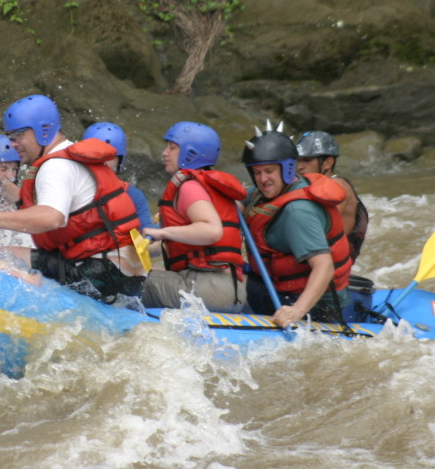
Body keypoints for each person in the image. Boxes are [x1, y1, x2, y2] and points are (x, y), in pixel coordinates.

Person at [0, 94, 145, 303]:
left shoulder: (56, 167)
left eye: (18, 135)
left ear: (43, 130)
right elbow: (31, 204)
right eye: (10, 137)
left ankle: (35, 288)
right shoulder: (66, 156)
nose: (13, 144)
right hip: (122, 271)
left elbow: (51, 217)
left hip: (103, 273)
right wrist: (1, 181)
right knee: (15, 252)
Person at [241, 121, 353, 329]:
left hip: (316, 307)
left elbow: (324, 267)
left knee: (227, 282)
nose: (262, 179)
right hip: (278, 288)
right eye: (256, 172)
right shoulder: (265, 193)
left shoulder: (298, 212)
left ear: (287, 169)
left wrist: (297, 311)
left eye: (269, 171)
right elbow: (236, 201)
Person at [140, 122, 246, 311]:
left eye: (172, 148)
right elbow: (160, 249)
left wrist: (164, 232)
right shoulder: (212, 188)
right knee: (148, 272)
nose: (165, 153)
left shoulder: (190, 187)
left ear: (191, 153)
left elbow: (212, 231)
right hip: (233, 292)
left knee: (126, 279)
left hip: (207, 291)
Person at [295, 130, 369, 260]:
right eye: (298, 160)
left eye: (307, 160)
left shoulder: (337, 186)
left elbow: (318, 229)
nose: (299, 166)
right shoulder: (313, 187)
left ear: (327, 163)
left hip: (333, 266)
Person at [82, 122, 156, 232]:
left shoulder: (133, 196)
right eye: (95, 156)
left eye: (108, 157)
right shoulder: (71, 187)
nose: (101, 162)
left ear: (119, 161)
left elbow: (147, 235)